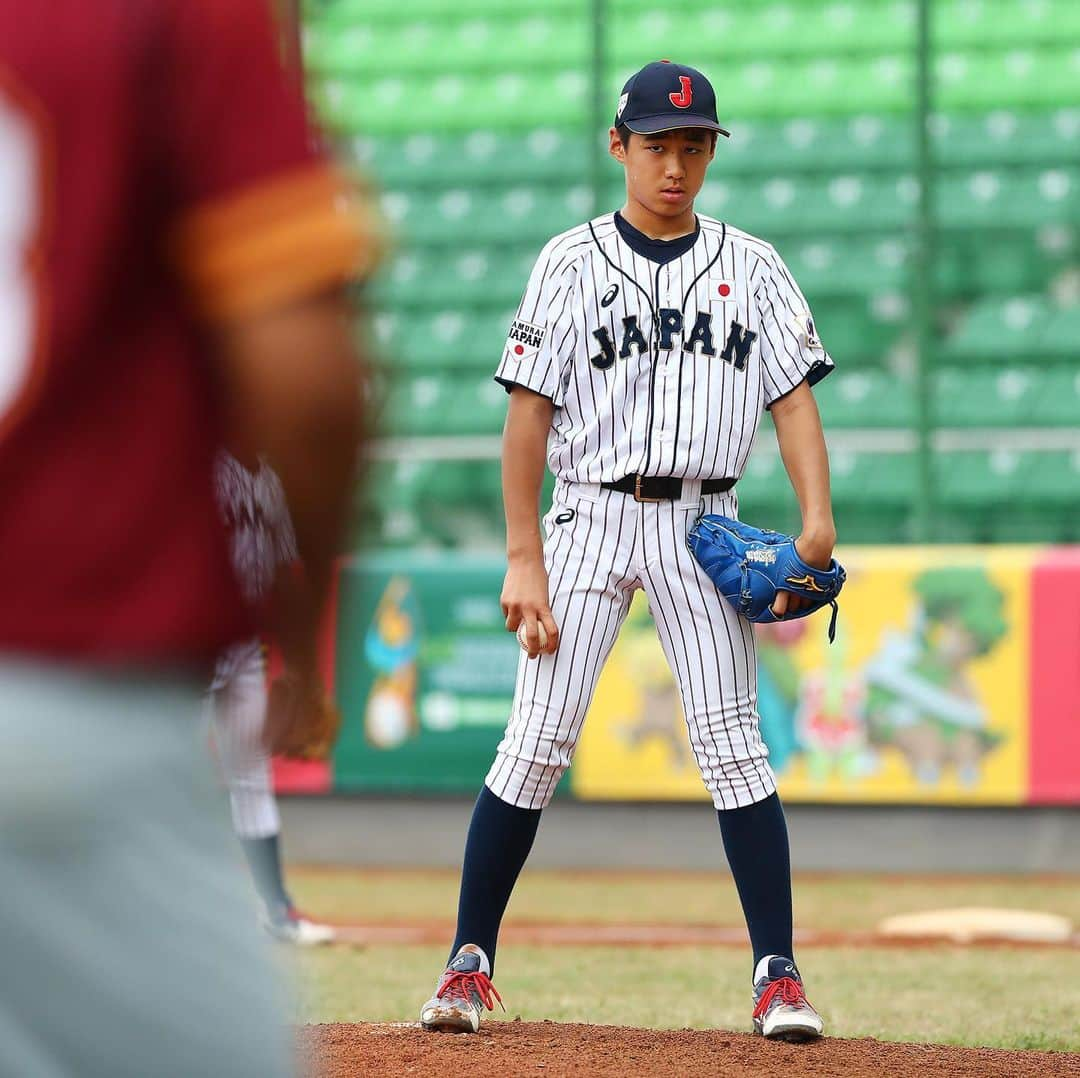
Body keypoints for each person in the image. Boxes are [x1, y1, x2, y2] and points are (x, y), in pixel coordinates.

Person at [419, 60, 833, 1042]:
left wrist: (816, 523)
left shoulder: (755, 264)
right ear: (620, 147)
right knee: (535, 741)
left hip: (705, 521)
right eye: (658, 145)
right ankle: (468, 961)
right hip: (590, 515)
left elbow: (794, 399)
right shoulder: (568, 262)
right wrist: (524, 555)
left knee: (734, 746)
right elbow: (527, 418)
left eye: (694, 147)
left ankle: (777, 973)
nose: (677, 166)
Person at [0, 1, 373, 1073]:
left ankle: (277, 892)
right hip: (66, 693)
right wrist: (302, 641)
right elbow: (307, 384)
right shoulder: (164, 19)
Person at [208, 450, 336, 945]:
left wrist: (301, 669)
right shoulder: (197, 454)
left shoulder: (269, 473)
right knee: (163, 770)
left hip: (242, 645)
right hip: (188, 644)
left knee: (251, 775)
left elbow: (285, 568)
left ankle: (276, 908)